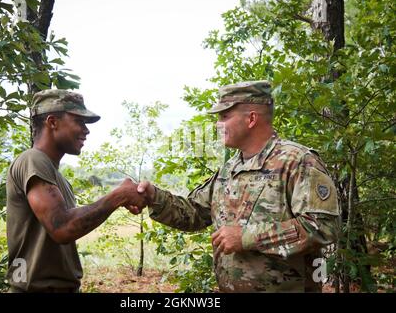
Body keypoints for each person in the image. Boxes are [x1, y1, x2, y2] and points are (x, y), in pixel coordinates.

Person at [128, 80, 341, 292]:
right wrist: (152, 196)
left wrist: (248, 237)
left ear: (251, 119)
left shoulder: (297, 162)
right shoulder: (229, 170)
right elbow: (194, 213)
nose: (217, 125)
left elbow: (323, 228)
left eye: (224, 116)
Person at [6, 89, 147, 293]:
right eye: (79, 122)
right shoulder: (32, 160)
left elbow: (68, 223)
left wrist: (118, 200)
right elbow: (62, 228)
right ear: (53, 122)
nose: (86, 130)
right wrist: (118, 196)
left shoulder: (55, 175)